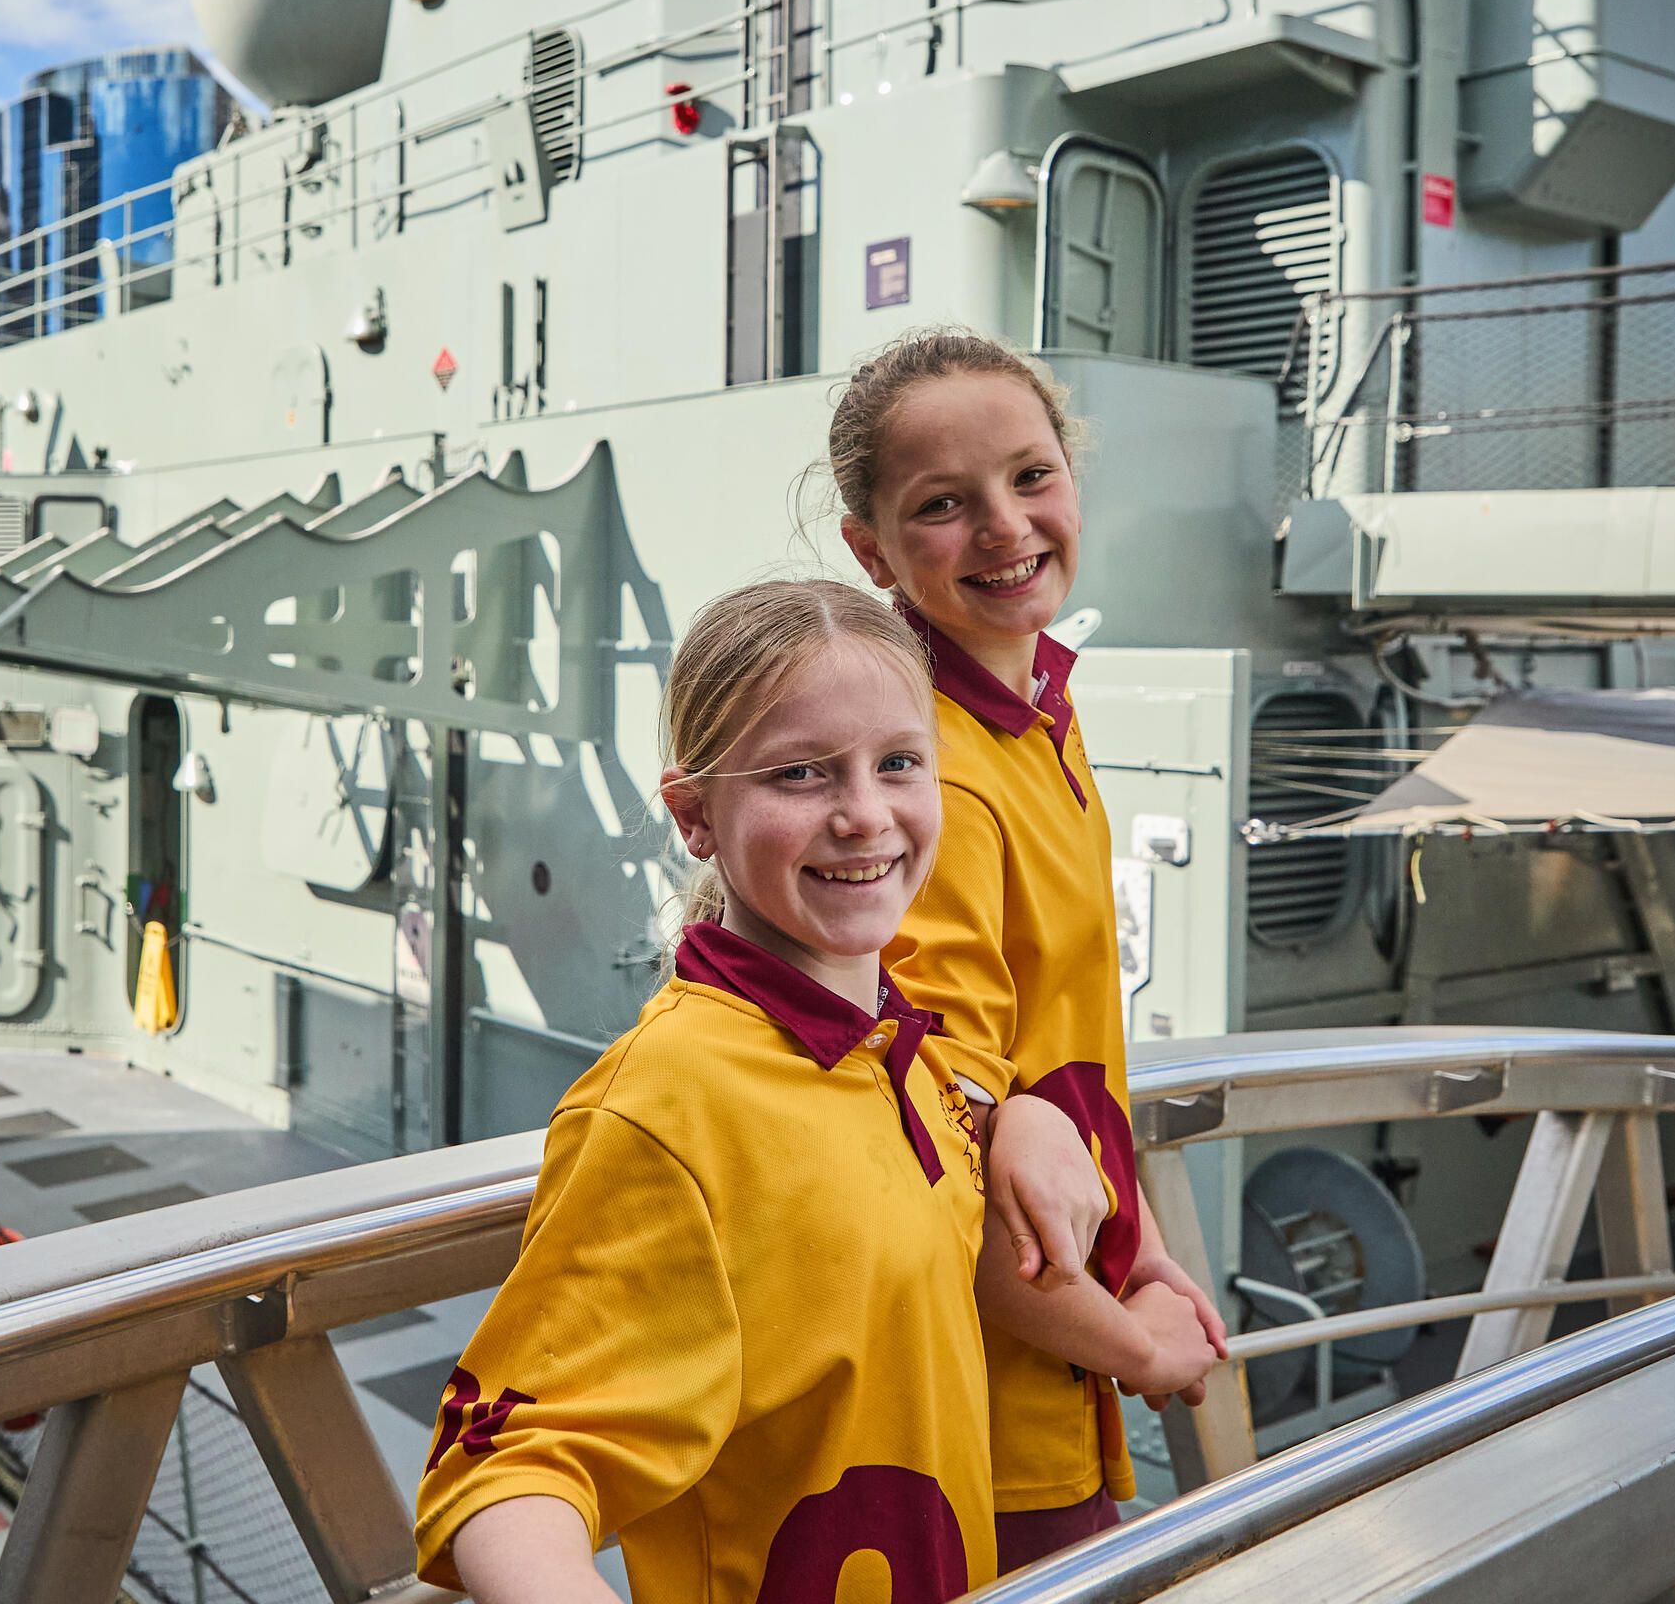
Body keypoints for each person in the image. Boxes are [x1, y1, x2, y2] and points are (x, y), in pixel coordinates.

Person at [415, 580, 1000, 1603]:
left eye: (896, 762)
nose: (864, 813)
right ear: (693, 815)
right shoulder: (667, 1102)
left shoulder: (898, 1047)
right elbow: (508, 1464)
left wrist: (1021, 1117)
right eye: (799, 772)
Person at [829, 328, 1228, 1571]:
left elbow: (1051, 1068)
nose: (1005, 527)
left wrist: (1146, 1249)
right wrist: (1144, 1344)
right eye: (941, 505)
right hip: (977, 1402)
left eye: (1030, 476)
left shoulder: (1036, 715)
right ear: (869, 548)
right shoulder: (934, 767)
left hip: (1060, 1342)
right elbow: (942, 1140)